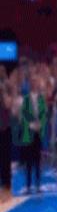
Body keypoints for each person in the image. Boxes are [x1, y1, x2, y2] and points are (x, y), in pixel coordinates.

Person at [19, 74, 47, 193]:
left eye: (36, 82)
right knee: (28, 161)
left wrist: (40, 124)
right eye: (32, 82)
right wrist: (31, 124)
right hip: (29, 132)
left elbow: (44, 113)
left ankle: (38, 184)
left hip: (38, 133)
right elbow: (24, 113)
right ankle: (28, 185)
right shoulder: (26, 99)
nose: (34, 84)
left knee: (38, 160)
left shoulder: (41, 98)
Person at [0, 67, 13, 202]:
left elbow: (8, 105)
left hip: (5, 127)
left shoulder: (6, 87)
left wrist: (4, 92)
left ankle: (7, 184)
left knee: (5, 157)